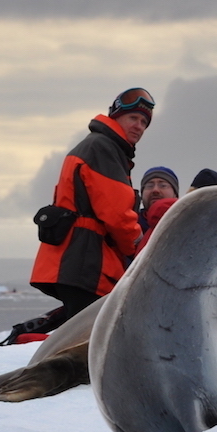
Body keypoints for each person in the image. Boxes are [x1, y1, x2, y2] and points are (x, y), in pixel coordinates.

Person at [29, 87, 152, 320]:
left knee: (78, 334)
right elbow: (117, 214)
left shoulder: (96, 146)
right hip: (86, 264)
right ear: (115, 117)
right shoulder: (103, 148)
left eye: (144, 122)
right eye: (133, 118)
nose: (139, 126)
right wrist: (139, 250)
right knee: (89, 343)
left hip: (74, 262)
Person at [138, 165, 179, 243]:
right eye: (149, 186)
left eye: (163, 185)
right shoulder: (129, 226)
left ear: (175, 194)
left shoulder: (186, 223)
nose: (155, 190)